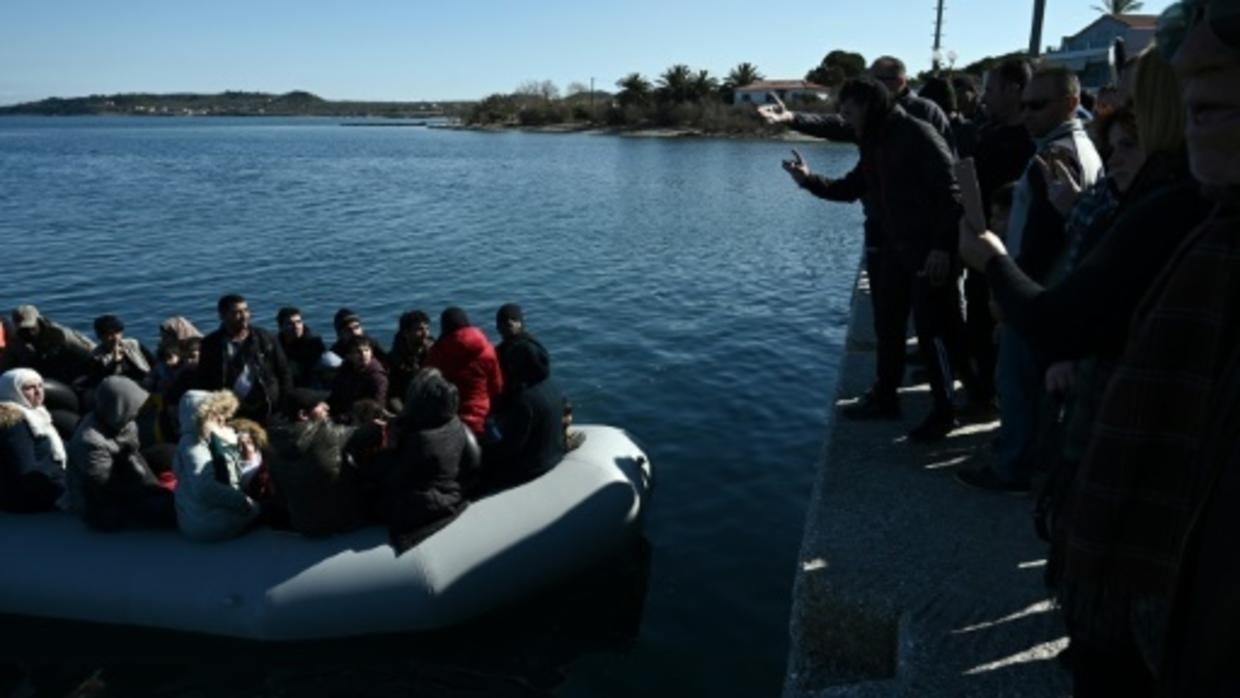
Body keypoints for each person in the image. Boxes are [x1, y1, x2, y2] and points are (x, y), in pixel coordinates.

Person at [779, 77, 965, 440]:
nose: (843, 118)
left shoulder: (916, 134)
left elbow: (953, 191)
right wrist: (808, 180)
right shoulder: (874, 140)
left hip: (928, 252)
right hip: (895, 248)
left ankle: (945, 412)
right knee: (888, 325)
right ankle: (885, 397)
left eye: (847, 110)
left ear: (868, 105)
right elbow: (852, 189)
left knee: (931, 332)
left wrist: (942, 247)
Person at [958, 66, 1104, 492]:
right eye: (1024, 105)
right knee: (1035, 387)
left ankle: (1012, 466)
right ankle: (1029, 457)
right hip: (1055, 291)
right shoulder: (1082, 146)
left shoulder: (1055, 156)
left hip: (1037, 291)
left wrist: (1008, 292)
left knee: (1017, 382)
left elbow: (1043, 239)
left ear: (1071, 103)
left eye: (1038, 105)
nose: (1027, 114)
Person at [385, 368, 478, 552]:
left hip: (432, 501)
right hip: (454, 488)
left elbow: (398, 475)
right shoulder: (455, 423)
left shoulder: (421, 439)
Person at [66, 375, 174, 530]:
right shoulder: (90, 441)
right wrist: (145, 497)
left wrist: (153, 487)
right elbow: (104, 488)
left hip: (120, 474)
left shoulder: (122, 422)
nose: (137, 412)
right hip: (97, 499)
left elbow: (134, 455)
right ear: (120, 406)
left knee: (165, 461)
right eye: (133, 407)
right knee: (159, 509)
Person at [266, 388, 363, 536]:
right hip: (342, 522)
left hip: (302, 524)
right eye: (319, 405)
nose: (327, 407)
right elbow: (365, 433)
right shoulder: (327, 434)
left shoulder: (271, 444)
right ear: (303, 415)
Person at [481, 334, 568, 491]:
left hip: (533, 468)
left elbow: (511, 446)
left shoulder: (525, 401)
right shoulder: (552, 385)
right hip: (555, 453)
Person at [171, 389, 261, 541]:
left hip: (201, 516)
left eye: (222, 412)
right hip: (207, 522)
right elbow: (205, 489)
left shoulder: (211, 438)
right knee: (267, 508)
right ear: (199, 416)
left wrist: (247, 457)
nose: (221, 418)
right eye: (214, 413)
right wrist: (244, 503)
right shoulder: (193, 443)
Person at [196, 294, 292, 424]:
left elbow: (284, 372)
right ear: (222, 316)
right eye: (237, 312)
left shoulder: (266, 339)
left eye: (246, 310)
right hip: (231, 411)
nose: (244, 316)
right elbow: (204, 379)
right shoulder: (211, 344)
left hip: (267, 407)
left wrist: (284, 405)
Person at [424, 307, 503, 436]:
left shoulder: (437, 352)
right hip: (482, 416)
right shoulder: (487, 349)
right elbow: (496, 386)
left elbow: (428, 382)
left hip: (451, 418)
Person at [0, 368, 67, 512]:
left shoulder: (35, 413)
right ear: (12, 391)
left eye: (40, 385)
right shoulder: (14, 423)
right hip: (31, 499)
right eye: (29, 388)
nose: (38, 391)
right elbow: (24, 472)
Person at [1, 305, 95, 386]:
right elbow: (6, 366)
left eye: (31, 328)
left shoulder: (61, 335)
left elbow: (92, 350)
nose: (28, 333)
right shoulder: (16, 342)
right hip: (40, 378)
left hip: (73, 375)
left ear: (38, 321)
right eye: (23, 330)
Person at [327, 335, 389, 421]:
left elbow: (376, 407)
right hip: (344, 409)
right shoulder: (345, 369)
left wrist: (338, 418)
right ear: (349, 356)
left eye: (367, 350)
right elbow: (335, 394)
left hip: (362, 418)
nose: (364, 354)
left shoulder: (377, 376)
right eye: (358, 351)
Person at [87, 314, 153, 387]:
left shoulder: (133, 344)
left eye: (118, 333)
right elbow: (102, 383)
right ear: (100, 336)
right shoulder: (96, 357)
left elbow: (153, 363)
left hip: (146, 384)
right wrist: (115, 362)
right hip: (123, 391)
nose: (116, 338)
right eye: (110, 334)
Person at [387, 310, 433, 413]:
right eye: (419, 330)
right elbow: (393, 395)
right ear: (406, 333)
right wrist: (405, 414)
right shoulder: (395, 359)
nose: (425, 333)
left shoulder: (434, 352)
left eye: (427, 329)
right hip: (407, 406)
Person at [276, 307, 329, 389]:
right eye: (290, 324)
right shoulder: (275, 346)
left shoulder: (314, 344)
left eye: (298, 322)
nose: (296, 326)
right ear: (281, 327)